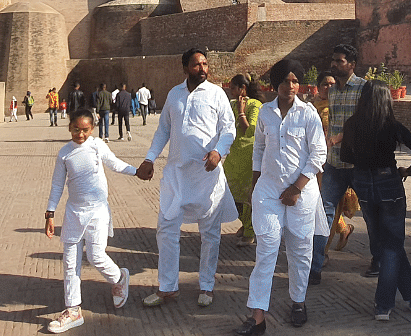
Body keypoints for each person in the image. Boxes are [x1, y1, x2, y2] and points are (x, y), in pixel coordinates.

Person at [136, 47, 238, 308]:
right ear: (185, 69)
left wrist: (219, 151)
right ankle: (167, 287)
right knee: (166, 230)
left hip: (207, 176)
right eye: (196, 65)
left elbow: (228, 129)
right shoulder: (174, 94)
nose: (202, 68)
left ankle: (207, 286)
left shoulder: (216, 94)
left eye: (205, 64)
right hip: (176, 176)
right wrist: (149, 158)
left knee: (210, 235)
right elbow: (163, 131)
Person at [234, 59, 327, 335]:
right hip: (269, 191)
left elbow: (318, 154)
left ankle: (298, 302)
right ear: (276, 84)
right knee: (266, 251)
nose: (290, 85)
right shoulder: (265, 112)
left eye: (295, 81)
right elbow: (259, 149)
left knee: (300, 251)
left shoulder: (308, 114)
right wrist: (254, 184)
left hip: (301, 193)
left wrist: (296, 188)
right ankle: (258, 317)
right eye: (285, 81)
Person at [340, 80, 411, 321]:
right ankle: (384, 304)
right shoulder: (391, 125)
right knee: (392, 245)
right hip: (388, 182)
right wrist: (409, 171)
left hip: (362, 182)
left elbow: (345, 156)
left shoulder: (351, 124)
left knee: (386, 243)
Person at [43, 109, 137, 333]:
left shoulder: (97, 146)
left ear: (92, 129)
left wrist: (138, 171)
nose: (80, 134)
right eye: (76, 129)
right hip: (74, 213)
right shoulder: (64, 153)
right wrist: (50, 213)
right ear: (69, 128)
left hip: (97, 211)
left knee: (96, 256)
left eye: (85, 130)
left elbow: (114, 163)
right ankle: (73, 309)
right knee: (70, 262)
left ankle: (119, 277)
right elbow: (57, 185)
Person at [311, 44, 374, 284]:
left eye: (339, 61)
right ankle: (315, 266)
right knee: (323, 215)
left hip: (358, 163)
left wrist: (340, 138)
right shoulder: (333, 91)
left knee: (370, 214)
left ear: (352, 64)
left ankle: (378, 260)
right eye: (333, 60)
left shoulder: (363, 88)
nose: (334, 64)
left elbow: (366, 124)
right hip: (334, 164)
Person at [314, 72, 356, 252]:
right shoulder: (309, 107)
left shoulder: (342, 107)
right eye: (325, 84)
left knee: (328, 206)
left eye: (333, 84)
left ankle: (323, 251)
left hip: (335, 162)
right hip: (314, 162)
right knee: (318, 205)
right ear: (318, 87)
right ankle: (343, 229)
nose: (329, 88)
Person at [223, 74, 264, 247]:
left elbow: (250, 130)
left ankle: (249, 231)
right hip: (233, 155)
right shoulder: (230, 104)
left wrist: (241, 111)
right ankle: (246, 223)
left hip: (249, 155)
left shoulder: (255, 105)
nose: (230, 91)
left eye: (233, 87)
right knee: (227, 192)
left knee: (247, 194)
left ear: (242, 89)